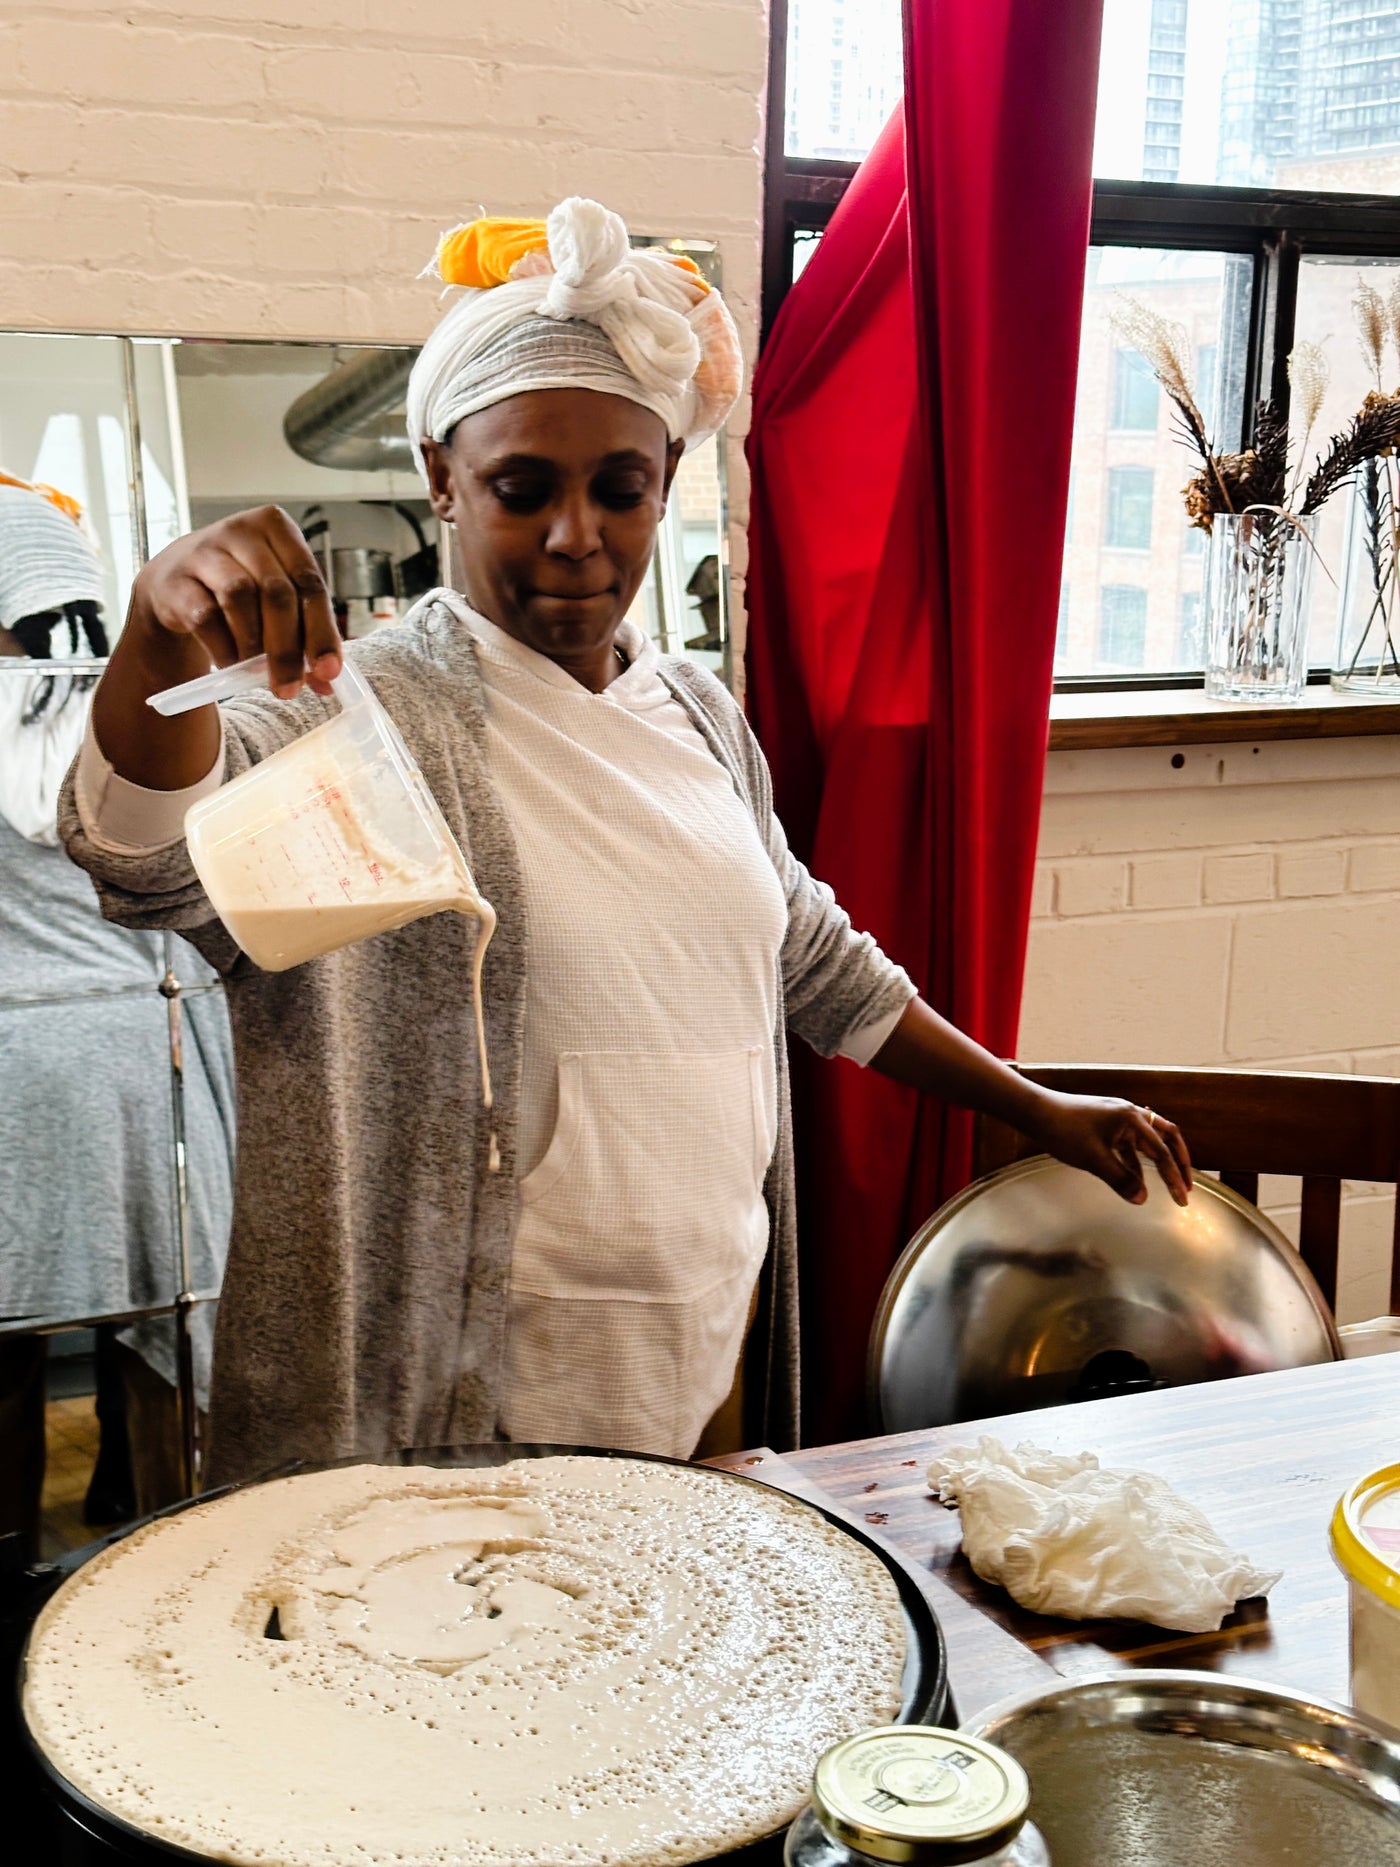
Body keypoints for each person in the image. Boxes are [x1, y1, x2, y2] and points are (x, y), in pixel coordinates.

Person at [61, 198, 1191, 1488]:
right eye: (520, 489)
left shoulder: (699, 711)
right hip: (459, 1393)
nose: (574, 536)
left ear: (666, 487)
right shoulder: (356, 715)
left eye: (620, 488)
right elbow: (139, 861)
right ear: (441, 478)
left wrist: (1030, 1105)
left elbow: (812, 960)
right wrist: (155, 629)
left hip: (699, 1347)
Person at [0, 476, 235, 1555]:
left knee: (12, 1336)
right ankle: (154, 1534)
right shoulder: (138, 714)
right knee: (164, 1326)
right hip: (160, 1043)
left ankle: (11, 1556)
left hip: (26, 1062)